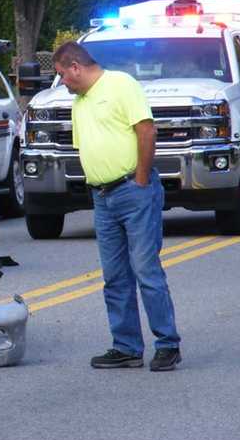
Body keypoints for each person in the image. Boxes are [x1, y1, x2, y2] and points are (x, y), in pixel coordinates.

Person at [52, 41, 182, 372]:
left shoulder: (121, 85)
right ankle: (126, 346)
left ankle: (167, 344)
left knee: (145, 269)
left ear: (76, 67)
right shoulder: (79, 102)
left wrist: (140, 180)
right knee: (114, 276)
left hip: (132, 190)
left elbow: (146, 130)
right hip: (102, 196)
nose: (62, 82)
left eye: (62, 74)